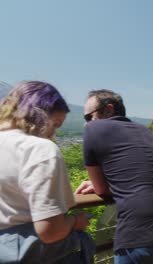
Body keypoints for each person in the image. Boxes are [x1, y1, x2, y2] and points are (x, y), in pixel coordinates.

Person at [75, 90, 153, 264]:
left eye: (89, 117)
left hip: (140, 233)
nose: (86, 123)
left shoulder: (94, 129)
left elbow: (101, 189)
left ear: (108, 110)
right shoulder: (144, 131)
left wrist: (102, 185)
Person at [0, 81, 94, 263]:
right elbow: (50, 231)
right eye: (56, 124)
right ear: (40, 116)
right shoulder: (40, 149)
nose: (53, 134)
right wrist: (76, 221)